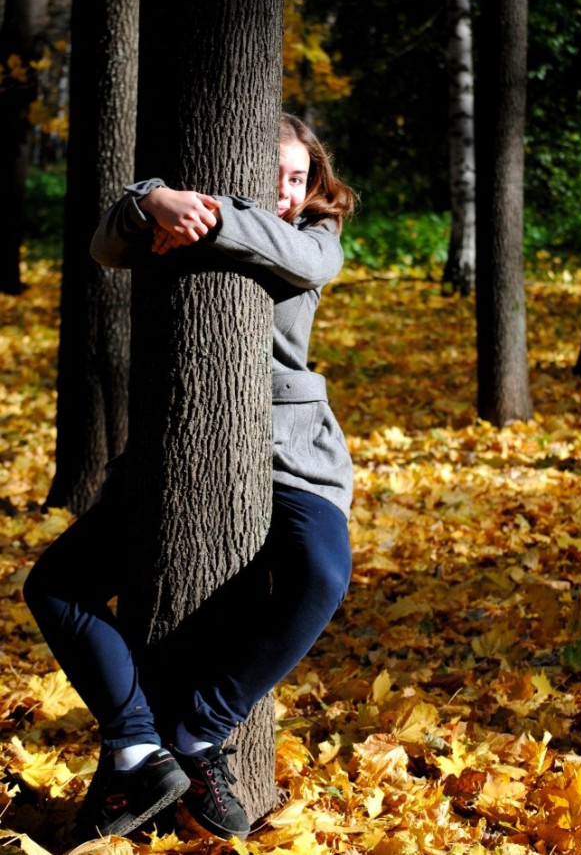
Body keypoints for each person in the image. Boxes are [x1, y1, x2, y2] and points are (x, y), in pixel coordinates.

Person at [23, 113, 356, 842]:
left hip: (295, 452)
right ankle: (137, 746)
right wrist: (148, 205)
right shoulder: (180, 212)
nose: (283, 191)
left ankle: (198, 732)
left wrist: (199, 213)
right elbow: (105, 246)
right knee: (54, 584)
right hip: (175, 447)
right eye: (269, 174)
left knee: (323, 574)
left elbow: (305, 264)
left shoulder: (314, 237)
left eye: (296, 178)